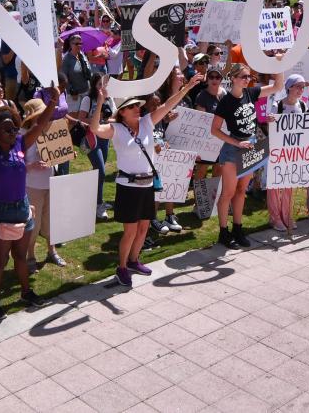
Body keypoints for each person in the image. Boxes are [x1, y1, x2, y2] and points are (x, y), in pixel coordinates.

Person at [90, 73, 204, 286]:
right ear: (122, 112)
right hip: (128, 186)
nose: (137, 108)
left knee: (143, 228)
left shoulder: (147, 122)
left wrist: (187, 87)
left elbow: (170, 103)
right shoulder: (116, 129)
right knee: (130, 230)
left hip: (148, 184)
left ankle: (134, 260)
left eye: (137, 105)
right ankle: (121, 267)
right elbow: (94, 128)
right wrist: (99, 102)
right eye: (132, 106)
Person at [0, 85, 59, 318]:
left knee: (21, 255)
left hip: (22, 208)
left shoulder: (20, 144)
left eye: (14, 128)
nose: (12, 132)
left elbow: (39, 125)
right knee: (0, 260)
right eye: (7, 129)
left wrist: (53, 104)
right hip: (0, 212)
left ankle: (26, 292)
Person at [211, 63, 284, 248]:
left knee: (242, 191)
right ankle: (223, 232)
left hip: (250, 147)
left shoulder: (251, 93)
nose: (247, 80)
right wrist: (236, 143)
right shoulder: (225, 101)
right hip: (232, 149)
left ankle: (238, 228)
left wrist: (279, 64)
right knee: (228, 193)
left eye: (249, 77)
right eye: (244, 76)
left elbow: (277, 87)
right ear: (234, 78)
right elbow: (214, 130)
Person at [20, 99, 66, 270]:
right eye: (40, 113)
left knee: (51, 220)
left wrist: (66, 155)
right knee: (34, 222)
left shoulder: (51, 130)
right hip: (32, 186)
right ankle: (30, 255)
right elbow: (16, 164)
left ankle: (52, 251)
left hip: (50, 183)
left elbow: (58, 155)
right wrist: (32, 166)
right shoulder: (22, 135)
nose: (45, 116)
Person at [266, 74, 309, 233]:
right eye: (298, 86)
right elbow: (269, 127)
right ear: (289, 87)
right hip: (277, 152)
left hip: (293, 153)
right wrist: (270, 121)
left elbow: (306, 128)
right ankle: (275, 217)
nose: (301, 90)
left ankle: (287, 215)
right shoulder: (277, 105)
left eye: (303, 87)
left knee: (289, 185)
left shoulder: (303, 106)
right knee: (275, 185)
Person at [76, 73, 115, 219]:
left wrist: (107, 118)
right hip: (91, 138)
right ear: (94, 86)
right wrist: (96, 119)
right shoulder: (88, 99)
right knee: (101, 170)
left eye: (105, 85)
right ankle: (98, 205)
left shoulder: (109, 99)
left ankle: (96, 200)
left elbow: (114, 117)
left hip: (104, 138)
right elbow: (81, 119)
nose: (103, 87)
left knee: (99, 172)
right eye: (100, 85)